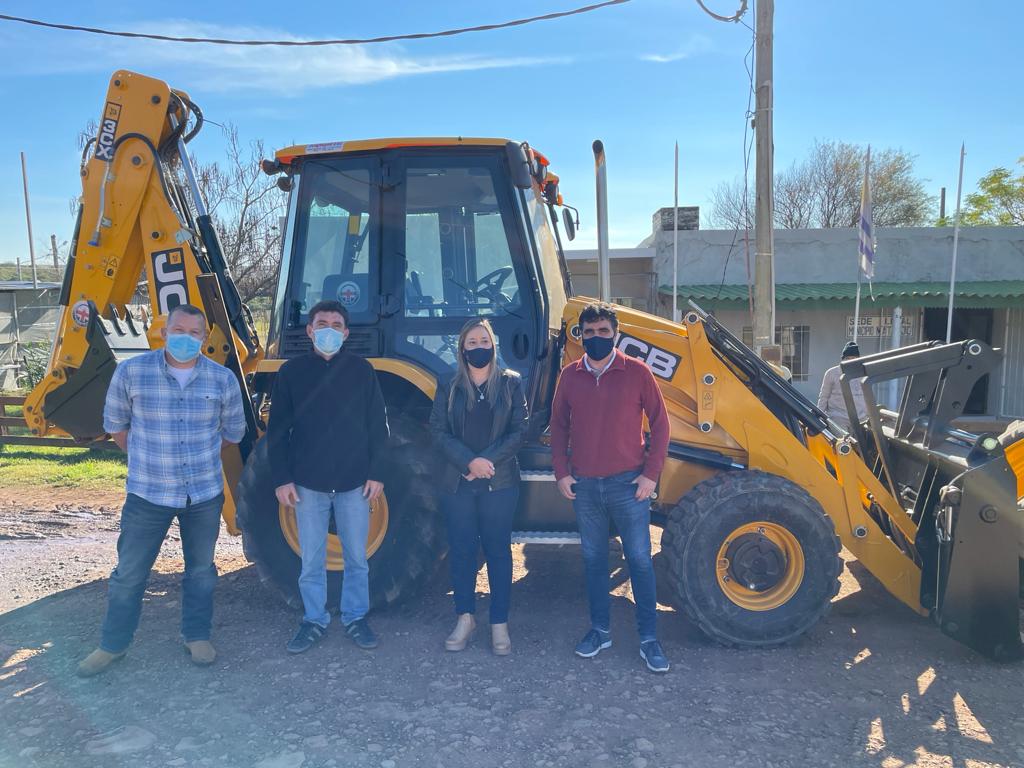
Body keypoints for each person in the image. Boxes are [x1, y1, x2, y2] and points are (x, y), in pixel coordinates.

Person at [77, 303, 246, 677]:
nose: (186, 338)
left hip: (202, 494)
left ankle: (196, 636)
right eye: (179, 330)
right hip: (148, 494)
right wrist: (150, 456)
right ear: (165, 332)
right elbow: (116, 426)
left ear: (204, 337)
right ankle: (113, 644)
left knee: (201, 571)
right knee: (129, 573)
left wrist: (198, 454)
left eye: (194, 333)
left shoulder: (222, 379)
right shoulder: (132, 373)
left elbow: (233, 433)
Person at [550, 304, 671, 673]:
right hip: (585, 486)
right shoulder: (570, 376)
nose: (597, 338)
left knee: (639, 561)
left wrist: (650, 475)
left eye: (604, 331)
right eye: (590, 332)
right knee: (593, 561)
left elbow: (661, 425)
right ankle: (600, 631)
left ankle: (649, 639)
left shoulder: (637, 372)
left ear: (616, 334)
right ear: (581, 335)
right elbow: (559, 426)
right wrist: (562, 473)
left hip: (628, 486)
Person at [267, 300, 389, 654]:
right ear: (310, 330)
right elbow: (277, 430)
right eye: (322, 324)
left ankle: (356, 617)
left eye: (336, 325)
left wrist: (377, 472)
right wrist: (281, 478)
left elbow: (378, 426)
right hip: (308, 484)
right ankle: (313, 619)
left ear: (346, 333)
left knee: (356, 558)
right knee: (311, 559)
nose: (329, 330)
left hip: (355, 484)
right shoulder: (291, 372)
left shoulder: (362, 371)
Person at [429, 318, 528, 655]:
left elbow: (520, 430)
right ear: (462, 348)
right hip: (457, 482)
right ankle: (465, 618)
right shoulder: (448, 384)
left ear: (493, 345)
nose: (478, 347)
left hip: (499, 483)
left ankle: (499, 622)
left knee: (498, 551)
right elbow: (437, 430)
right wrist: (468, 462)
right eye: (471, 343)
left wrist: (486, 462)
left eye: (483, 341)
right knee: (462, 551)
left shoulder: (511, 383)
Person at [817, 341, 867, 430]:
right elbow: (824, 396)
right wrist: (818, 415)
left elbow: (867, 396)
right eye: (847, 358)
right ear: (842, 359)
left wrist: (870, 415)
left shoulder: (863, 373)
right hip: (838, 417)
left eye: (854, 358)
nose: (850, 361)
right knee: (842, 438)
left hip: (860, 418)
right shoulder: (831, 373)